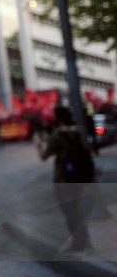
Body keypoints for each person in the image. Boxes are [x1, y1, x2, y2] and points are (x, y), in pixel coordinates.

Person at [37, 105, 96, 255]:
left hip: (63, 180)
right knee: (75, 210)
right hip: (78, 178)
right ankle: (85, 241)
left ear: (57, 118)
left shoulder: (57, 137)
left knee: (70, 213)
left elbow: (44, 157)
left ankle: (79, 244)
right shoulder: (77, 133)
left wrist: (38, 145)